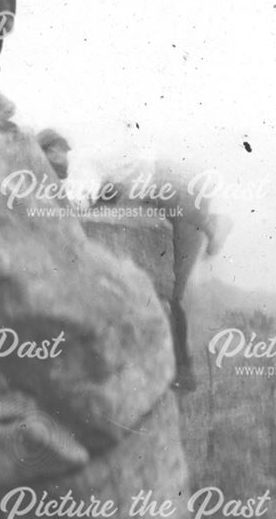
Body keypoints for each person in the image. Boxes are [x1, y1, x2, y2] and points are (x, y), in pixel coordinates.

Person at [94, 159, 232, 391]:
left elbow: (176, 197)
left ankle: (180, 370)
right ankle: (174, 370)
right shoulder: (150, 182)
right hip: (169, 212)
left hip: (182, 215)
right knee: (165, 296)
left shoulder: (170, 188)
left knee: (171, 296)